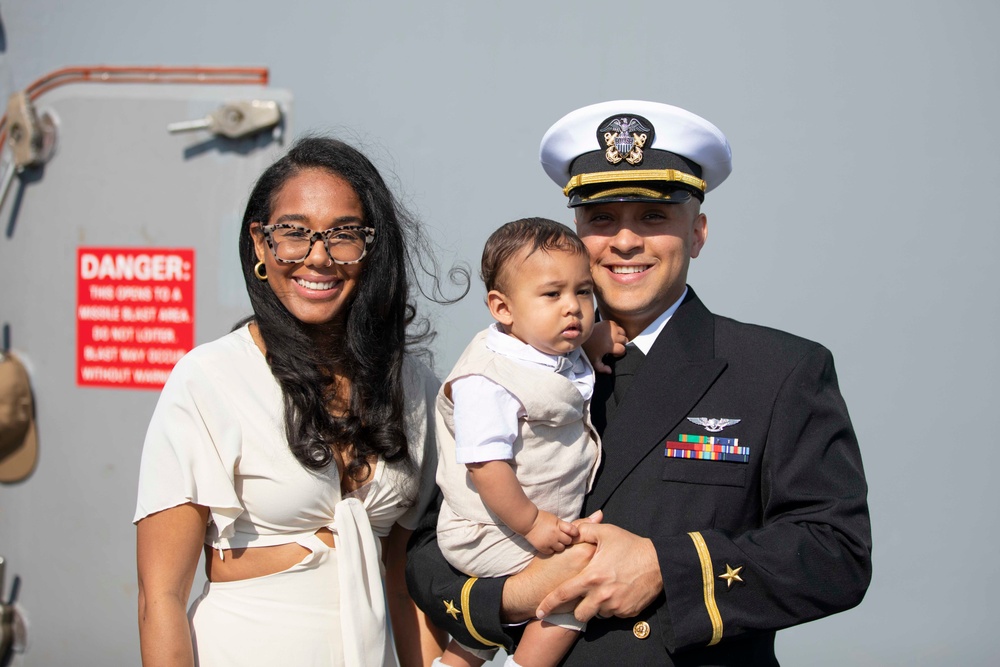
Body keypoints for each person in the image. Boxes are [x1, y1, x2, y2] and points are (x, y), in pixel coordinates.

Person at [406, 100, 872, 665]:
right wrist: (514, 595)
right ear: (577, 235)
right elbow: (432, 545)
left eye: (654, 217)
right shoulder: (505, 369)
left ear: (697, 233)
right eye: (601, 219)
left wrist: (665, 568)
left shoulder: (777, 371)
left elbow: (836, 554)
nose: (625, 241)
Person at [134, 136, 449, 666]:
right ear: (260, 244)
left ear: (372, 248)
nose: (318, 257)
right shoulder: (209, 379)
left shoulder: (411, 387)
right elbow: (159, 598)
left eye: (343, 235)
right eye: (293, 234)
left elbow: (402, 588)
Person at [434, 219, 620, 667]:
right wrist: (533, 523)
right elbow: (486, 467)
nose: (573, 308)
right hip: (489, 528)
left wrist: (592, 346)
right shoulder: (488, 380)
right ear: (502, 308)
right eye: (552, 295)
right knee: (578, 578)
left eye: (583, 292)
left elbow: (561, 372)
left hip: (514, 525)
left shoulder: (548, 349)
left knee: (484, 631)